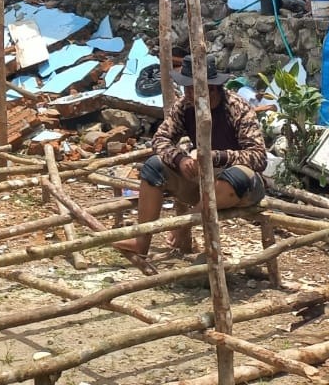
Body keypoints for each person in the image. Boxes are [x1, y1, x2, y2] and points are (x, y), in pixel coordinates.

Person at [113, 54, 268, 262]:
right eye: (186, 88)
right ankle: (142, 242)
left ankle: (186, 225)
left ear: (211, 88)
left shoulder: (237, 107)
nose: (188, 93)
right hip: (201, 180)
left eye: (192, 89)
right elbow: (161, 139)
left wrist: (216, 157)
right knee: (154, 167)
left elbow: (259, 157)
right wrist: (180, 160)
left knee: (234, 177)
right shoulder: (184, 106)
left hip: (239, 186)